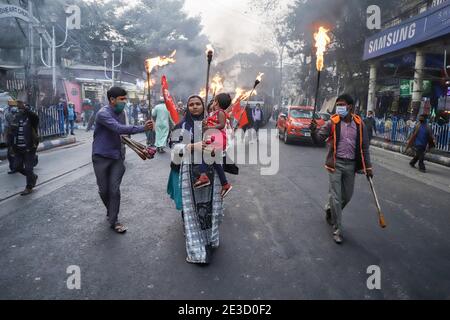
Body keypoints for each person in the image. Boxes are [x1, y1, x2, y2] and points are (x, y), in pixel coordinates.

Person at [168, 95, 224, 264]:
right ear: (187, 107)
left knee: (209, 208)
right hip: (188, 172)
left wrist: (213, 143)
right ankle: (196, 249)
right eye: (191, 104)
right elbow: (173, 148)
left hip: (210, 173)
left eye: (197, 104)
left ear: (203, 106)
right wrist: (192, 146)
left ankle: (209, 240)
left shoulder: (211, 124)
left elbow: (220, 146)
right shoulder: (181, 126)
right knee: (192, 210)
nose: (194, 107)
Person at [310, 94, 373, 244]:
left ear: (350, 106)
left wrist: (368, 167)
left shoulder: (359, 124)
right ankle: (337, 229)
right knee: (337, 198)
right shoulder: (333, 122)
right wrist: (313, 131)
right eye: (337, 105)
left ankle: (330, 209)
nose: (339, 108)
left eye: (342, 105)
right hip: (335, 164)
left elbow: (364, 148)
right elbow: (319, 139)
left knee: (347, 196)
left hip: (351, 165)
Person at [92, 87, 154, 234]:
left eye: (125, 99)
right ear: (112, 100)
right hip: (100, 157)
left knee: (114, 189)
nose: (124, 102)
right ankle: (110, 211)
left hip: (117, 157)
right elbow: (118, 128)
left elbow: (124, 131)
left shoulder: (122, 113)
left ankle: (114, 220)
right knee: (103, 190)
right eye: (122, 99)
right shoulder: (103, 113)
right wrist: (142, 128)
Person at [194, 93, 233, 198]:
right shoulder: (213, 113)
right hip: (213, 138)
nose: (213, 103)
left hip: (217, 138)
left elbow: (222, 125)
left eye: (214, 101)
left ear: (217, 103)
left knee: (203, 152)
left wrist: (209, 128)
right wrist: (205, 124)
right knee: (215, 162)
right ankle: (225, 184)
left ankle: (203, 176)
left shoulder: (220, 112)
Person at [9, 101, 40, 196]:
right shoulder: (16, 118)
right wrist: (11, 145)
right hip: (18, 147)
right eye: (19, 108)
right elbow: (12, 131)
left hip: (29, 147)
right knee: (16, 167)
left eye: (22, 108)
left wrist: (27, 110)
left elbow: (36, 118)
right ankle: (33, 177)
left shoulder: (31, 117)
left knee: (28, 168)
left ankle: (29, 187)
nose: (20, 110)